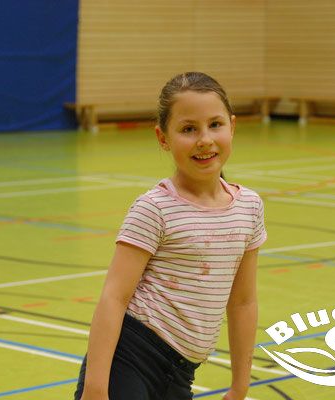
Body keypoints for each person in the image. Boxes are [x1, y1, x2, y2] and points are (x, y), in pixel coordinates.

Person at [74, 72, 267, 400]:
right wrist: (95, 387)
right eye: (188, 129)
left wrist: (240, 385)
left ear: (232, 126)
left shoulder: (249, 206)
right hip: (130, 360)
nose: (204, 139)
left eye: (215, 124)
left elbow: (243, 302)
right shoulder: (154, 207)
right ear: (163, 138)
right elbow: (114, 297)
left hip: (180, 374)